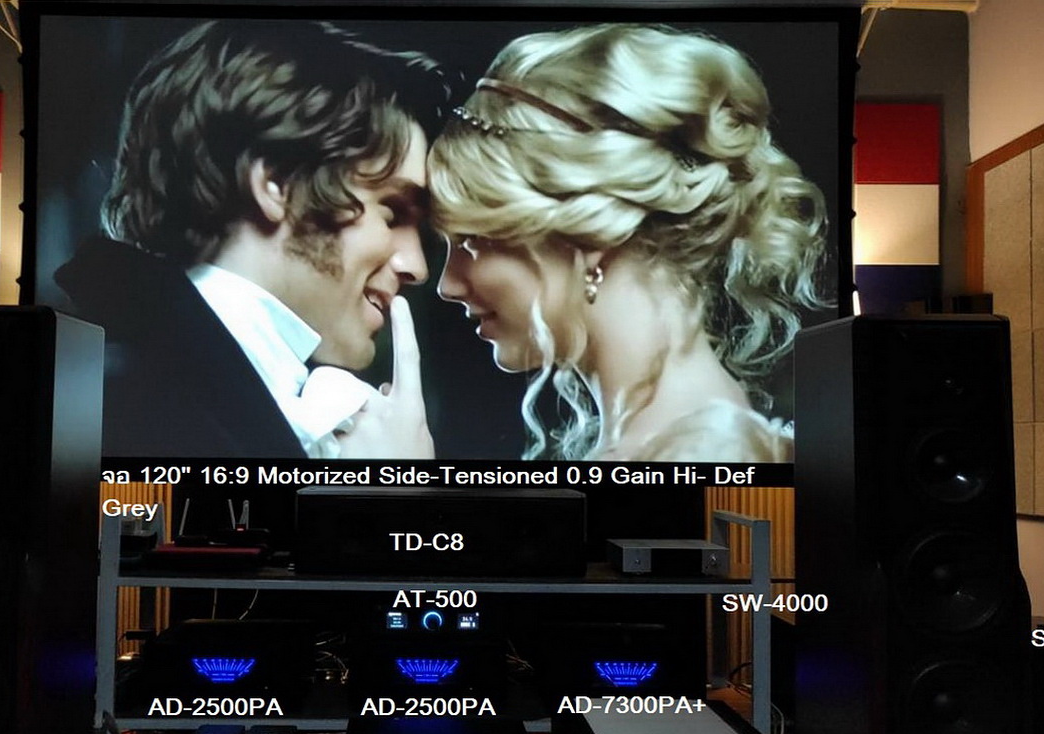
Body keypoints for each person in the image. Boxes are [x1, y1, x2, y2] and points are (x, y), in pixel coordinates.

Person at [427, 23, 828, 463]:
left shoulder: (696, 458)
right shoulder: (677, 442)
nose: (448, 284)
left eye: (472, 240)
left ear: (591, 233)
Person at [55, 20, 450, 459]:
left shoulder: (147, 373)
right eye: (392, 212)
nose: (417, 266)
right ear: (277, 184)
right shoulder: (119, 397)